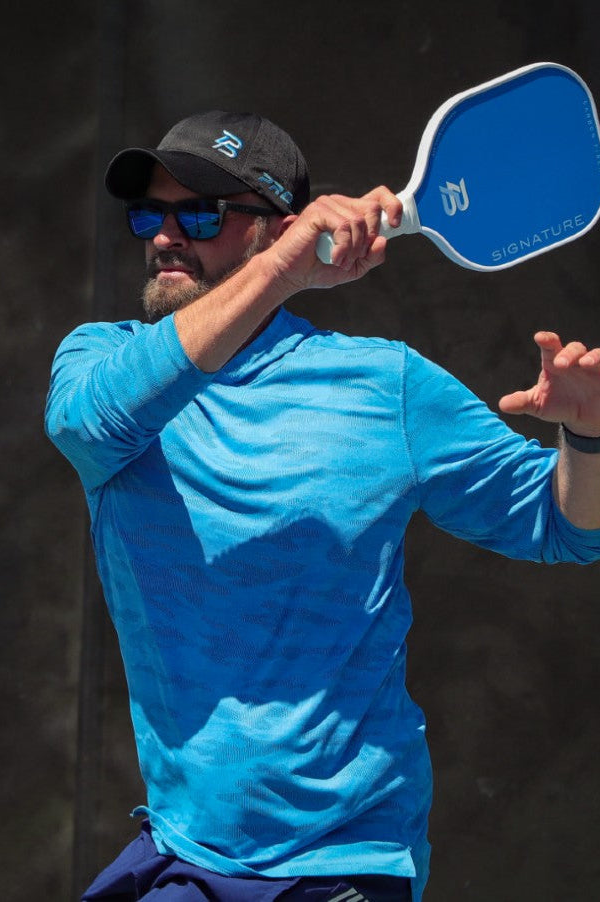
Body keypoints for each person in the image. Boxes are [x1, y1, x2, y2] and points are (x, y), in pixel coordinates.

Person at [45, 110, 600, 902]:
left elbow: (567, 528)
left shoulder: (387, 387)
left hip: (346, 862)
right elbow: (92, 422)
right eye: (150, 214)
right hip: (185, 849)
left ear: (273, 230)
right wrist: (281, 274)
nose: (166, 235)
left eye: (198, 214)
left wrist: (588, 439)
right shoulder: (98, 361)